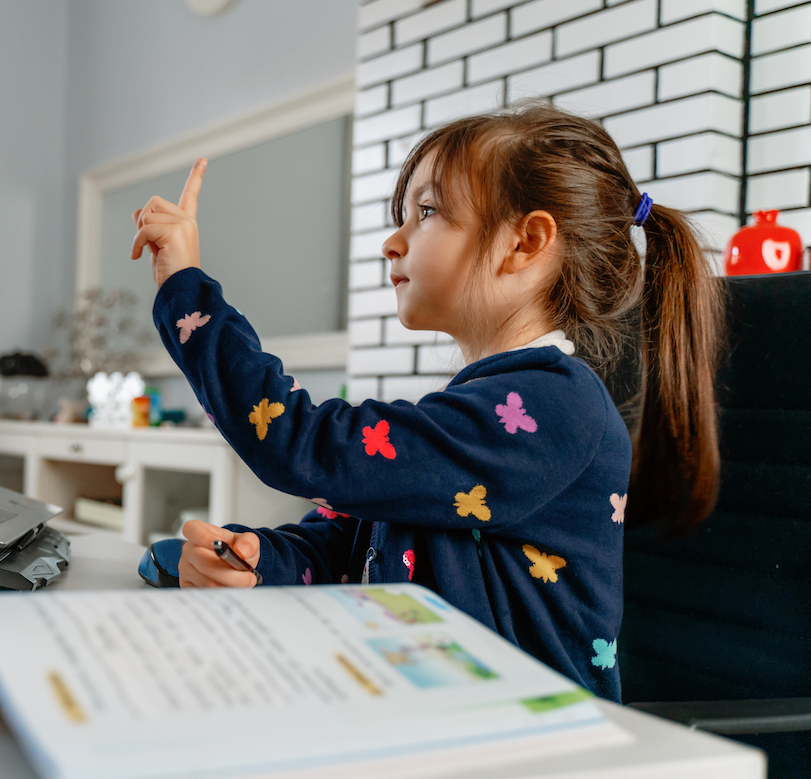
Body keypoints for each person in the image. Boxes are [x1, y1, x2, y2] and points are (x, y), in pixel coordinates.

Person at [129, 104, 725, 700]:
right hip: (425, 702)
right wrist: (258, 560)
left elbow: (302, 443)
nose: (393, 242)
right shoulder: (480, 412)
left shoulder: (556, 408)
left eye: (428, 212)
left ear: (525, 242)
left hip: (523, 732)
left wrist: (184, 287)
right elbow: (350, 545)